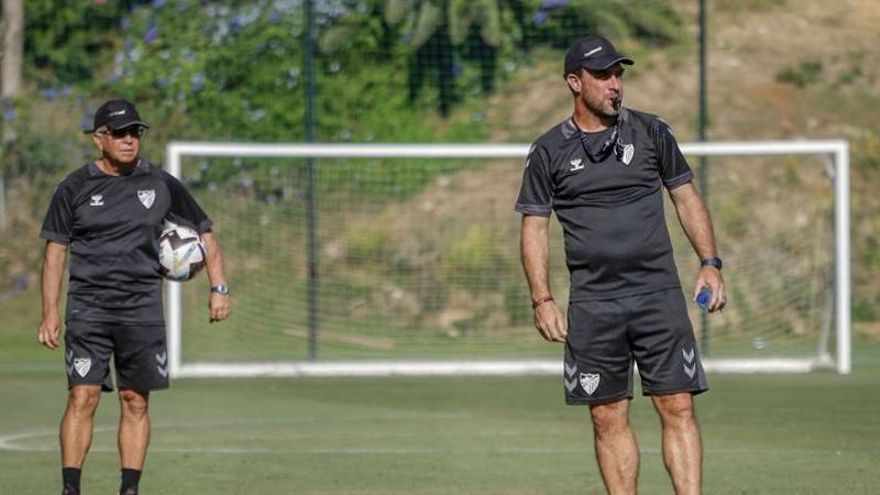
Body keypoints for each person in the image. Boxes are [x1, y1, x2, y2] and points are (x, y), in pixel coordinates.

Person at [516, 36, 726, 494]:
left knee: (678, 407)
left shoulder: (652, 133)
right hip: (594, 304)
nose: (615, 84)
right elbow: (534, 227)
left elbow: (686, 198)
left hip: (658, 296)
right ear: (575, 82)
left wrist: (710, 263)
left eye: (619, 74)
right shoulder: (548, 151)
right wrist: (542, 298)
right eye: (603, 75)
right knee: (607, 415)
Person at [37, 99, 231, 495]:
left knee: (135, 400)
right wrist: (49, 312)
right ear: (99, 139)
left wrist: (219, 288)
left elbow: (205, 232)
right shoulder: (73, 188)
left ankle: (130, 489)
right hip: (88, 307)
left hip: (141, 308)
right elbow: (55, 252)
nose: (129, 141)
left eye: (135, 133)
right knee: (82, 396)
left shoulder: (160, 183)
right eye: (119, 133)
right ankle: (70, 489)